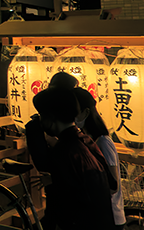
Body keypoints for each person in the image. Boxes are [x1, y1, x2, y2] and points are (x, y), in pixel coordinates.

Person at [32, 87, 115, 230]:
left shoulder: (63, 150)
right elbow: (111, 184)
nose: (40, 121)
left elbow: (60, 205)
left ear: (51, 117)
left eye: (41, 115)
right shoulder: (87, 141)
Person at [73, 88, 125, 229]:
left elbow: (113, 186)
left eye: (74, 111)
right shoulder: (85, 139)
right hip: (97, 214)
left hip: (110, 215)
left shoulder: (103, 142)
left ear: (86, 112)